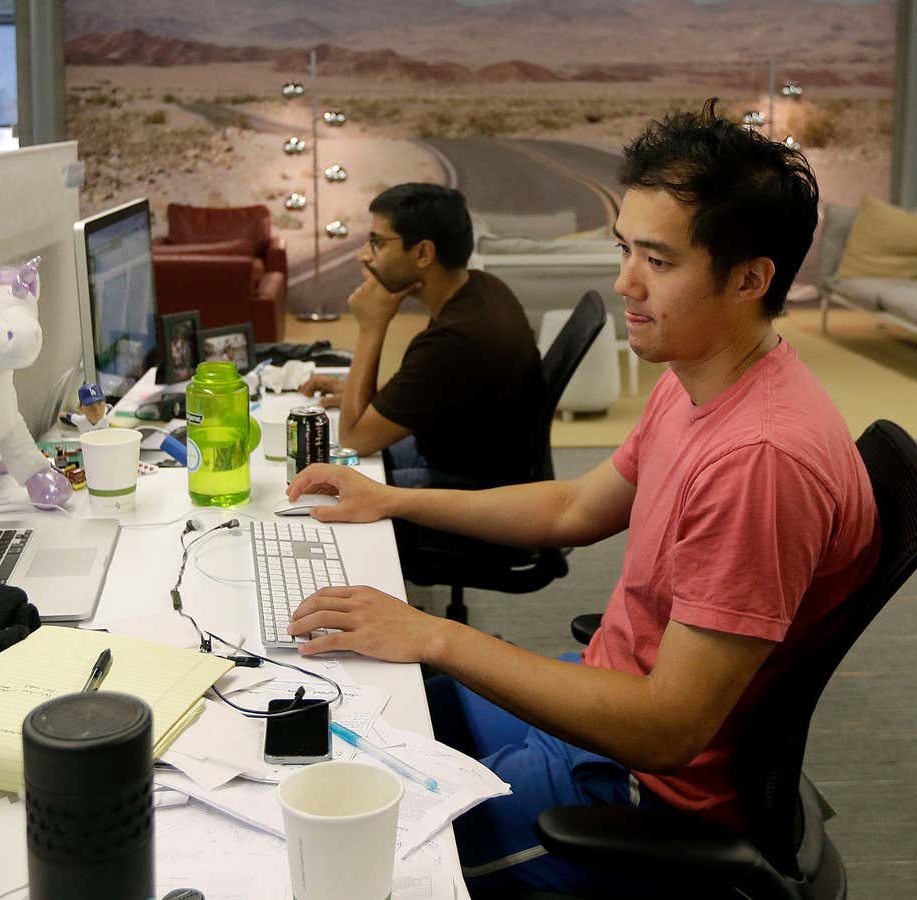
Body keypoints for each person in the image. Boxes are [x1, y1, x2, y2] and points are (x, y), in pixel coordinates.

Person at [282, 101, 882, 895]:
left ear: (749, 279)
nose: (624, 282)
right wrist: (392, 503)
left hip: (641, 790)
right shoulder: (701, 377)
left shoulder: (759, 462)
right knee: (365, 704)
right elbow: (573, 509)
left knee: (362, 858)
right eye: (625, 248)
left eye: (658, 263)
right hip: (602, 690)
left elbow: (669, 730)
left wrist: (434, 633)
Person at [297, 183, 545, 490]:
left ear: (424, 253)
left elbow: (354, 440)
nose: (364, 256)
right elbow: (433, 385)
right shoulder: (483, 288)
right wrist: (355, 392)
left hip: (469, 488)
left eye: (378, 243)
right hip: (481, 460)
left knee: (322, 486)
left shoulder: (454, 340)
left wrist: (371, 326)